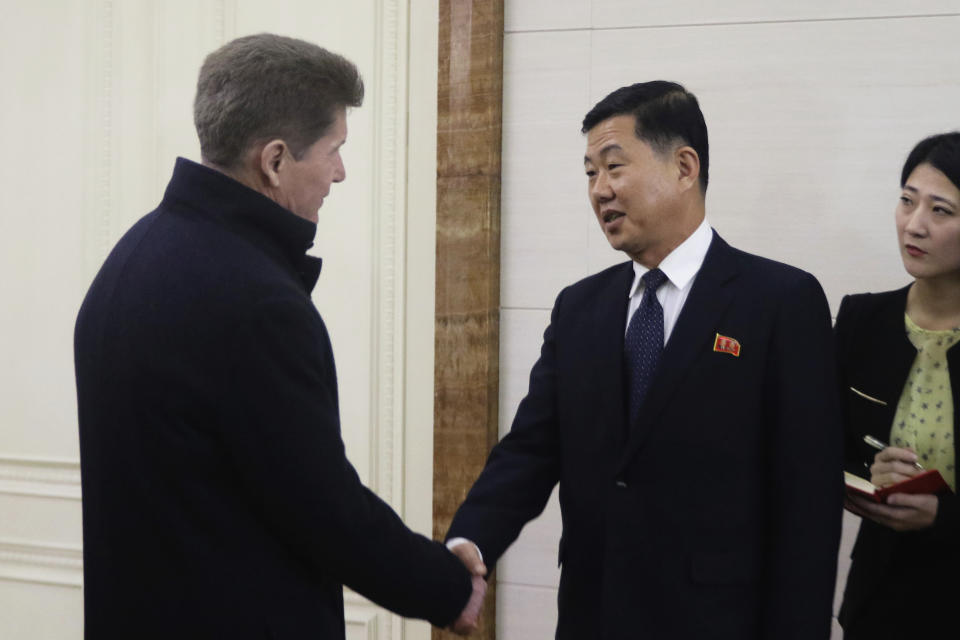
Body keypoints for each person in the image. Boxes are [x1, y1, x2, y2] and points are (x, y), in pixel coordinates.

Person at [74, 33, 483, 639]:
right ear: (274, 160)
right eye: (334, 150)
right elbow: (321, 506)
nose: (340, 174)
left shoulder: (135, 253)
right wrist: (447, 587)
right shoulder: (256, 301)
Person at [444, 81, 844, 639]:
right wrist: (470, 541)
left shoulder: (779, 301)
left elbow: (808, 505)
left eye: (614, 166)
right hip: (595, 615)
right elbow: (532, 449)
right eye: (589, 173)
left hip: (718, 622)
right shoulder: (580, 307)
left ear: (685, 167)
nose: (599, 190)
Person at [838, 132, 960, 638]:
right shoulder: (862, 319)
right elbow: (820, 445)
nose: (914, 224)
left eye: (941, 210)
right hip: (880, 602)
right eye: (907, 201)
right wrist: (869, 470)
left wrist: (943, 516)